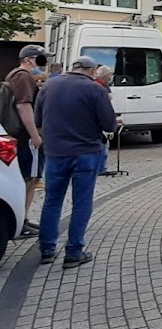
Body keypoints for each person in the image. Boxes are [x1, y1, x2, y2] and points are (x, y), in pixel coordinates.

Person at [36, 56, 118, 268]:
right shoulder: (95, 89)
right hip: (85, 152)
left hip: (55, 152)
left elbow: (38, 120)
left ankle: (47, 249)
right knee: (81, 202)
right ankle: (73, 252)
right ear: (91, 70)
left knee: (52, 200)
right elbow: (109, 124)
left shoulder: (49, 86)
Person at [7, 45, 47, 238]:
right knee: (30, 179)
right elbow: (24, 106)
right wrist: (35, 135)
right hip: (26, 137)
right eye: (41, 59)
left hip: (21, 136)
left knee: (28, 178)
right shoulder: (23, 76)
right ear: (30, 59)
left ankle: (22, 218)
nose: (43, 63)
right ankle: (20, 221)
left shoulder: (16, 75)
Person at [93, 66, 114, 174]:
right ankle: (100, 168)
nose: (111, 78)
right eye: (110, 75)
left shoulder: (101, 85)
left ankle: (100, 167)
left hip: (98, 120)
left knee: (103, 145)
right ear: (105, 76)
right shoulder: (98, 87)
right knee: (102, 145)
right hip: (98, 122)